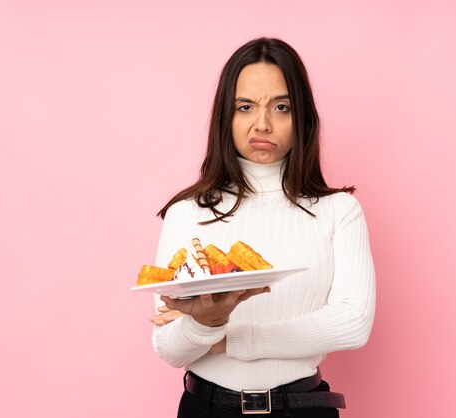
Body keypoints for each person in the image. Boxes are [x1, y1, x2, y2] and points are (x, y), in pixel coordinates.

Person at [149, 37, 376, 417]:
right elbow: (169, 348)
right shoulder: (187, 213)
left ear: (301, 116)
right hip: (206, 409)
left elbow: (353, 324)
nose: (263, 123)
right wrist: (206, 324)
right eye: (245, 106)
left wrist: (225, 337)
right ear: (226, 115)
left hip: (303, 408)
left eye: (281, 106)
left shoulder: (339, 210)